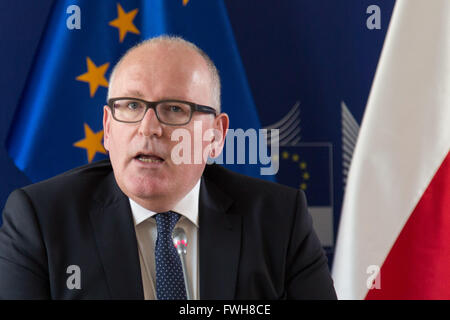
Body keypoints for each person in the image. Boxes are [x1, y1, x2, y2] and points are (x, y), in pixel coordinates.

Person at [0, 36, 337, 299]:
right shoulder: (40, 221)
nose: (148, 128)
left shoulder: (280, 219)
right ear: (107, 127)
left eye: (175, 109)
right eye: (131, 105)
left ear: (216, 136)